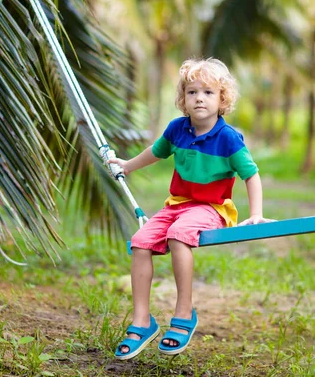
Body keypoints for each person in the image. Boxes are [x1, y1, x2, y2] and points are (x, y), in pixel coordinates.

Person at [109, 57, 270, 360]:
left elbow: (251, 175)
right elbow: (154, 153)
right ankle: (142, 321)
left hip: (212, 208)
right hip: (176, 205)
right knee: (141, 242)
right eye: (192, 92)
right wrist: (127, 166)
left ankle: (184, 314)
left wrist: (256, 213)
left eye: (208, 93)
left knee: (179, 235)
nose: (199, 98)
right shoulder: (177, 129)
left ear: (222, 100)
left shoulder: (228, 138)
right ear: (183, 99)